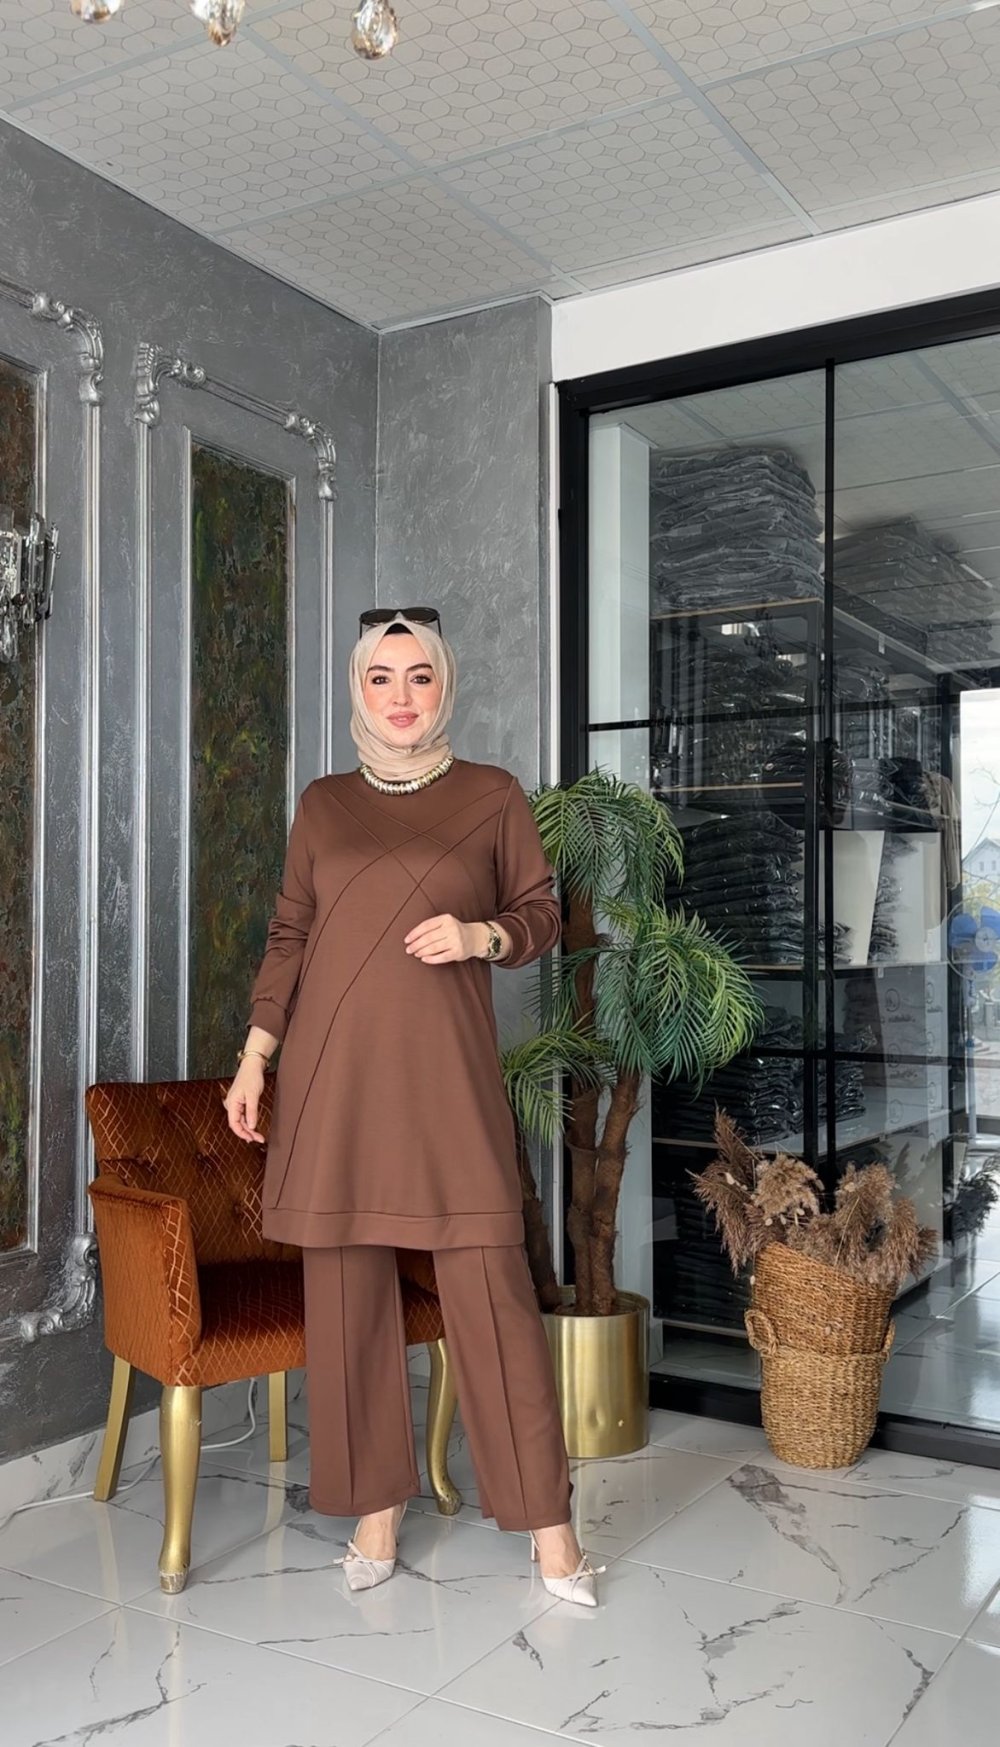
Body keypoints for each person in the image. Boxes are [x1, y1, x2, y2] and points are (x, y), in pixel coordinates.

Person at [225, 607, 603, 1607]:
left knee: (494, 1291)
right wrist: (255, 1058)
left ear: (445, 686)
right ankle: (375, 1510)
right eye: (382, 678)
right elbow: (290, 934)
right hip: (333, 1077)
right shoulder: (323, 804)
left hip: (446, 1078)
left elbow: (540, 913)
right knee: (348, 1294)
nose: (402, 697)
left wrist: (479, 936)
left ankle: (550, 1524)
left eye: (420, 676)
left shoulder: (491, 795)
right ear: (358, 690)